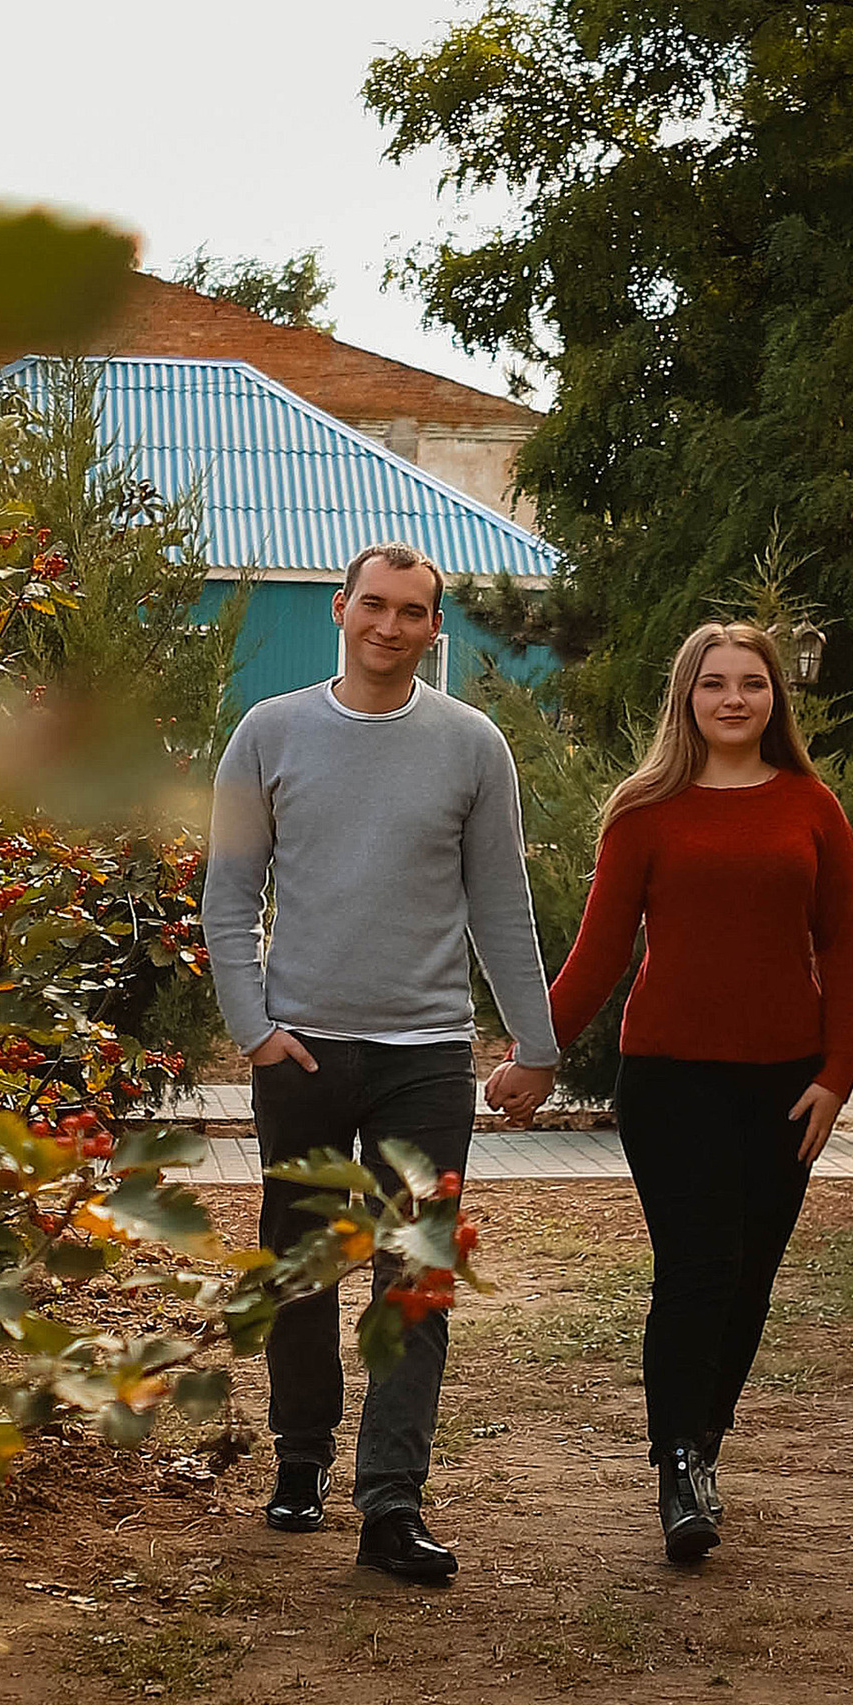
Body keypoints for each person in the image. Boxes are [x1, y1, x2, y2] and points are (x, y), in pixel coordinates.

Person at [203, 541, 560, 1588]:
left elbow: (500, 904)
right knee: (302, 1269)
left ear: (431, 628)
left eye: (412, 613)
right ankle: (300, 1457)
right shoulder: (269, 733)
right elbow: (228, 896)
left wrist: (533, 1044)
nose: (389, 627)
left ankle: (391, 1505)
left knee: (413, 1279)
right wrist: (255, 1031)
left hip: (423, 1060)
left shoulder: (470, 745)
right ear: (338, 608)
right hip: (302, 1054)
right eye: (374, 606)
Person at [527, 617, 853, 1565]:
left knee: (752, 1272)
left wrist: (836, 1078)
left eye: (751, 684)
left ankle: (705, 1442)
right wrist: (533, 1051)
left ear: (774, 699)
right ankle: (677, 1466)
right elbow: (598, 954)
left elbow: (843, 948)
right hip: (671, 1081)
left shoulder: (813, 807)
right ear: (687, 696)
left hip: (785, 1087)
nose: (732, 698)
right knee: (697, 1266)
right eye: (714, 682)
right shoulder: (645, 811)